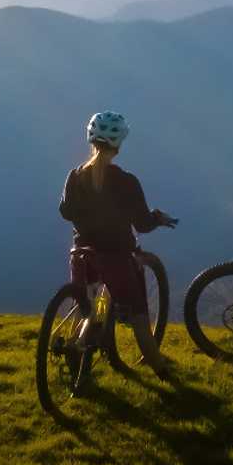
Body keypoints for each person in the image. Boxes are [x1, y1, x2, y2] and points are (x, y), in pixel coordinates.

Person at [59, 111, 177, 381]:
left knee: (84, 304)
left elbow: (65, 212)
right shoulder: (126, 182)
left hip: (81, 253)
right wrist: (159, 218)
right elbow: (143, 224)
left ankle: (74, 349)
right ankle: (162, 371)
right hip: (115, 255)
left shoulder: (75, 176)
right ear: (119, 144)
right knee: (137, 314)